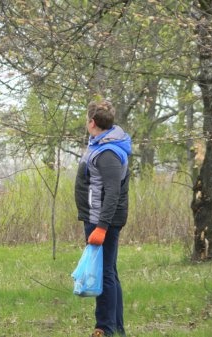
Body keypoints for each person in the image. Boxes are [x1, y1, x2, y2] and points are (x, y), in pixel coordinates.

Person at [74, 100, 132, 337]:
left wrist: (101, 227)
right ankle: (116, 328)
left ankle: (105, 329)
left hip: (102, 220)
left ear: (92, 122)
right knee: (109, 271)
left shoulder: (108, 151)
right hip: (97, 217)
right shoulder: (101, 143)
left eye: (87, 119)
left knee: (104, 273)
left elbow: (113, 193)